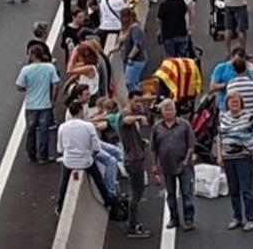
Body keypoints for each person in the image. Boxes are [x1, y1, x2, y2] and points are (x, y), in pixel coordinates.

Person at [217, 91, 253, 232]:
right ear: (227, 104)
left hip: (244, 157)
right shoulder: (223, 118)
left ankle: (250, 219)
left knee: (246, 189)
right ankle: (237, 217)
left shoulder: (249, 117)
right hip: (228, 158)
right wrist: (220, 154)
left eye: (237, 102)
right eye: (231, 102)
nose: (234, 104)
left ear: (241, 104)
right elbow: (219, 135)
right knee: (233, 190)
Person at [56, 100, 114, 213]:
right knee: (98, 179)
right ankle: (107, 200)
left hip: (69, 162)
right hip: (86, 161)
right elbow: (96, 147)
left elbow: (60, 149)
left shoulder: (62, 127)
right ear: (80, 111)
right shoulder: (88, 126)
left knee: (63, 182)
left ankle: (59, 205)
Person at [151, 98, 197, 231]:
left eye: (171, 109)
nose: (169, 112)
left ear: (175, 111)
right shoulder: (157, 128)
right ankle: (174, 219)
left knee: (187, 193)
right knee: (170, 194)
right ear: (162, 112)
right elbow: (153, 148)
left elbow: (191, 145)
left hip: (184, 165)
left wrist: (186, 160)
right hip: (166, 166)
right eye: (166, 109)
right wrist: (154, 165)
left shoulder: (184, 125)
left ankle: (189, 219)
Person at [16, 45, 60, 162]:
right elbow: (55, 84)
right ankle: (43, 156)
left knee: (31, 130)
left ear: (32, 55)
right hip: (45, 104)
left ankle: (31, 154)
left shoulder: (26, 70)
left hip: (31, 105)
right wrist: (53, 100)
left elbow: (19, 86)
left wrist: (29, 88)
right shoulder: (49, 68)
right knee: (44, 130)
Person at [119, 92, 153, 239]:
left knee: (138, 192)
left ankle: (133, 224)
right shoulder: (126, 116)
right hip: (133, 161)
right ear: (130, 100)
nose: (139, 105)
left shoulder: (133, 118)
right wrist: (139, 117)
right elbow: (126, 120)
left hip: (136, 158)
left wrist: (142, 142)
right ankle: (132, 226)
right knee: (136, 194)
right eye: (136, 101)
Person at [120, 8, 148, 92]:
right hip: (132, 60)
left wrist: (130, 57)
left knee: (130, 83)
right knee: (134, 82)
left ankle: (137, 97)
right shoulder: (130, 29)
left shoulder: (135, 30)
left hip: (136, 60)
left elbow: (137, 46)